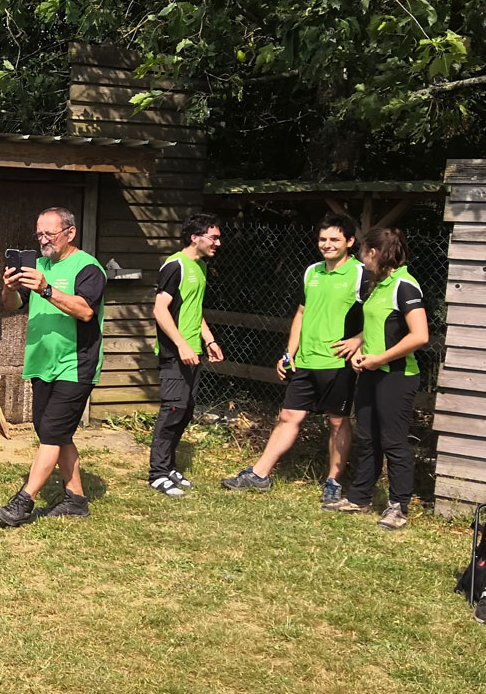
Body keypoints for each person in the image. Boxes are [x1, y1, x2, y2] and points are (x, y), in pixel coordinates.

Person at [222, 213, 367, 504]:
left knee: (337, 422)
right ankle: (259, 475)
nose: (327, 244)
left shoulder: (362, 273)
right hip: (305, 361)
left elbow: (379, 314)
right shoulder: (312, 271)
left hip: (337, 363)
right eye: (323, 239)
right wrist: (289, 353)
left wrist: (359, 340)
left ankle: (333, 483)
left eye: (334, 239)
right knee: (288, 416)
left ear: (350, 241)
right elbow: (301, 313)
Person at [0, 207, 107, 527]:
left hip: (75, 363)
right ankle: (76, 499)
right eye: (39, 234)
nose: (43, 240)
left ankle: (23, 502)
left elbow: (85, 311)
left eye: (50, 234)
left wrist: (46, 289)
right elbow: (12, 306)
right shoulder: (38, 266)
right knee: (52, 431)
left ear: (70, 233)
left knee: (53, 431)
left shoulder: (88, 268)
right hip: (41, 361)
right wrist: (9, 288)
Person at [323, 227, 428, 529]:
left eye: (362, 252)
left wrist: (380, 359)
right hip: (371, 373)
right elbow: (377, 328)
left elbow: (420, 335)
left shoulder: (405, 286)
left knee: (393, 441)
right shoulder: (378, 285)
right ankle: (360, 498)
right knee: (368, 437)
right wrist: (361, 350)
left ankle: (399, 507)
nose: (360, 258)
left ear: (373, 252)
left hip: (397, 376)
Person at [149, 213, 224, 496]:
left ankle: (169, 467)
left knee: (184, 412)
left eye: (218, 238)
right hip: (175, 353)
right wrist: (181, 344)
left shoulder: (200, 267)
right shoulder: (175, 266)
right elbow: (160, 310)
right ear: (195, 238)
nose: (218, 243)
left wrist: (209, 339)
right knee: (172, 411)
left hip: (193, 352)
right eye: (213, 237)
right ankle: (157, 474)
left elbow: (194, 308)